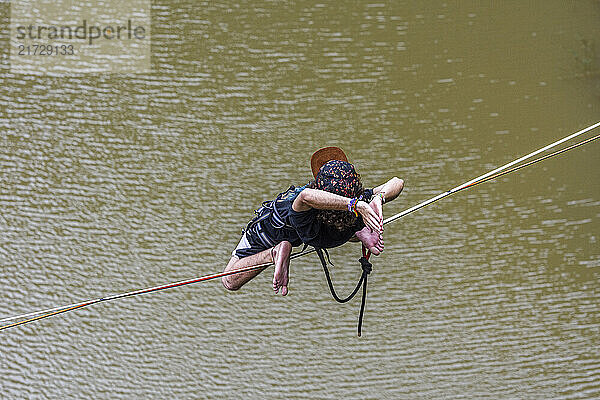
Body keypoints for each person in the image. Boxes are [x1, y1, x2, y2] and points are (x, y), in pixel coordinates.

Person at [222, 147, 404, 296]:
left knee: (229, 281)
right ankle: (358, 231)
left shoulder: (307, 206)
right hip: (323, 231)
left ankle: (273, 253)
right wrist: (364, 202)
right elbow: (398, 181)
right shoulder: (357, 200)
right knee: (344, 218)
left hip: (281, 229)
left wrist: (377, 200)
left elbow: (306, 196)